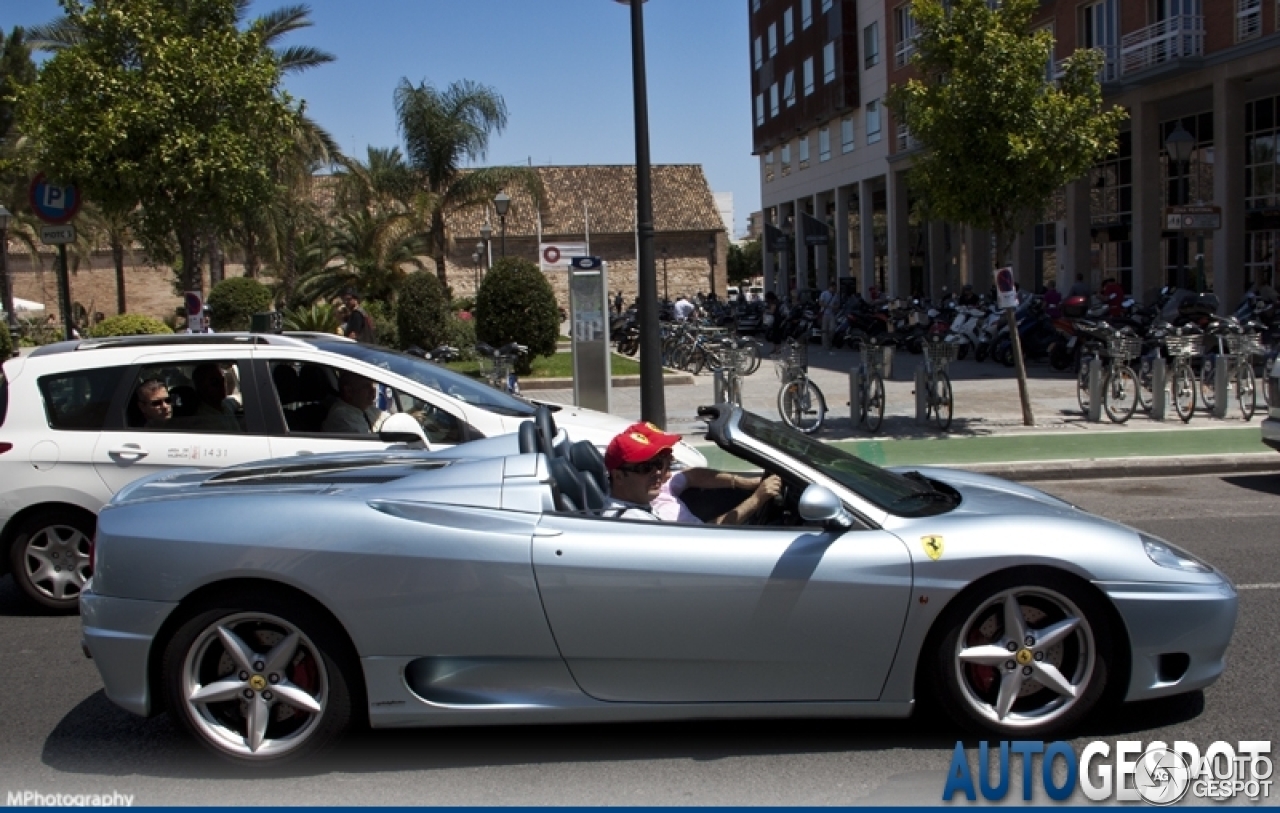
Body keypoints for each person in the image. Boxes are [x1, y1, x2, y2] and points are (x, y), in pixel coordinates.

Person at [604, 422, 782, 524]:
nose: (658, 472)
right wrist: (756, 500)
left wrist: (745, 483)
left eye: (661, 462)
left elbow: (690, 475)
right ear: (619, 476)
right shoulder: (634, 523)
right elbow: (706, 539)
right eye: (645, 467)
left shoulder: (649, 494)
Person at [174, 363, 241, 431]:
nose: (221, 385)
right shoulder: (202, 421)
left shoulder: (225, 404)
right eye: (215, 382)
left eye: (223, 380)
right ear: (201, 387)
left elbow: (239, 398)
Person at [323, 369, 388, 434]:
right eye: (366, 387)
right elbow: (364, 440)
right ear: (349, 391)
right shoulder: (341, 418)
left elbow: (389, 420)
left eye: (372, 385)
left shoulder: (365, 407)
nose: (373, 390)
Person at [818, 281, 838, 351]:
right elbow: (820, 303)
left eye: (835, 288)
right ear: (830, 287)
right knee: (824, 330)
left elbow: (836, 304)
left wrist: (835, 307)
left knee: (832, 329)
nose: (834, 289)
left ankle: (829, 341)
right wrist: (829, 306)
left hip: (832, 314)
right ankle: (825, 345)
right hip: (825, 314)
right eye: (833, 288)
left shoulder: (835, 295)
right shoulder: (824, 294)